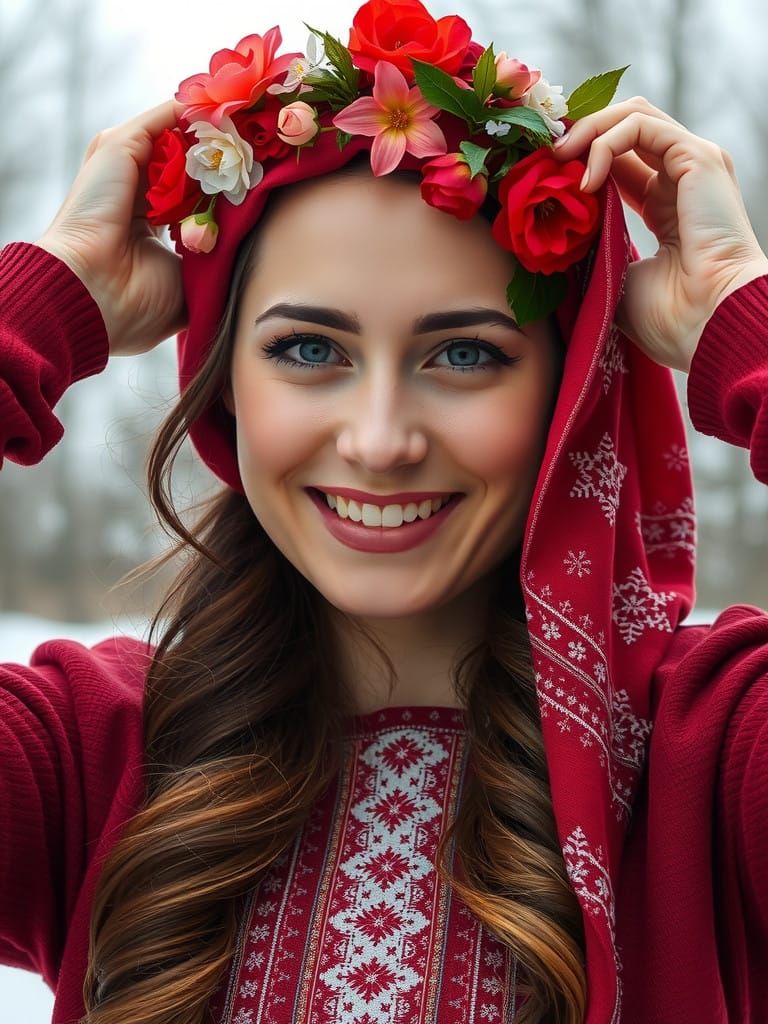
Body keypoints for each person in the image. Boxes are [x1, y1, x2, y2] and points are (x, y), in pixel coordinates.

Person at [1, 2, 768, 1022]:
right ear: (227, 382)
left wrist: (734, 301)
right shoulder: (86, 757)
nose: (378, 438)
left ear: (568, 389)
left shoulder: (712, 759)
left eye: (465, 354)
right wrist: (45, 307)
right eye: (309, 350)